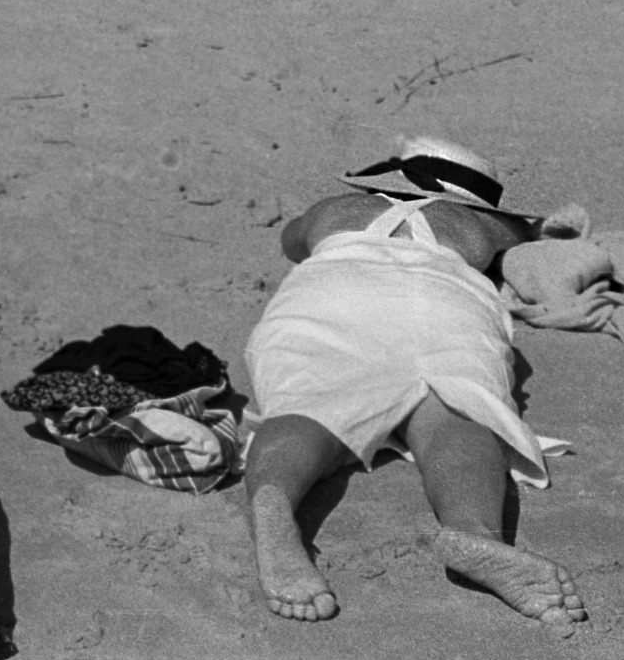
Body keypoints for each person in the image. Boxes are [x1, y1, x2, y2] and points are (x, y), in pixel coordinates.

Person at [243, 137, 585, 633]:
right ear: (476, 198)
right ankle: (475, 533)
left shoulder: (339, 209)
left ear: (392, 177)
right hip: (438, 303)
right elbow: (527, 255)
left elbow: (293, 243)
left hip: (330, 295)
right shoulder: (486, 223)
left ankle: (274, 501)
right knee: (457, 413)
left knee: (308, 407)